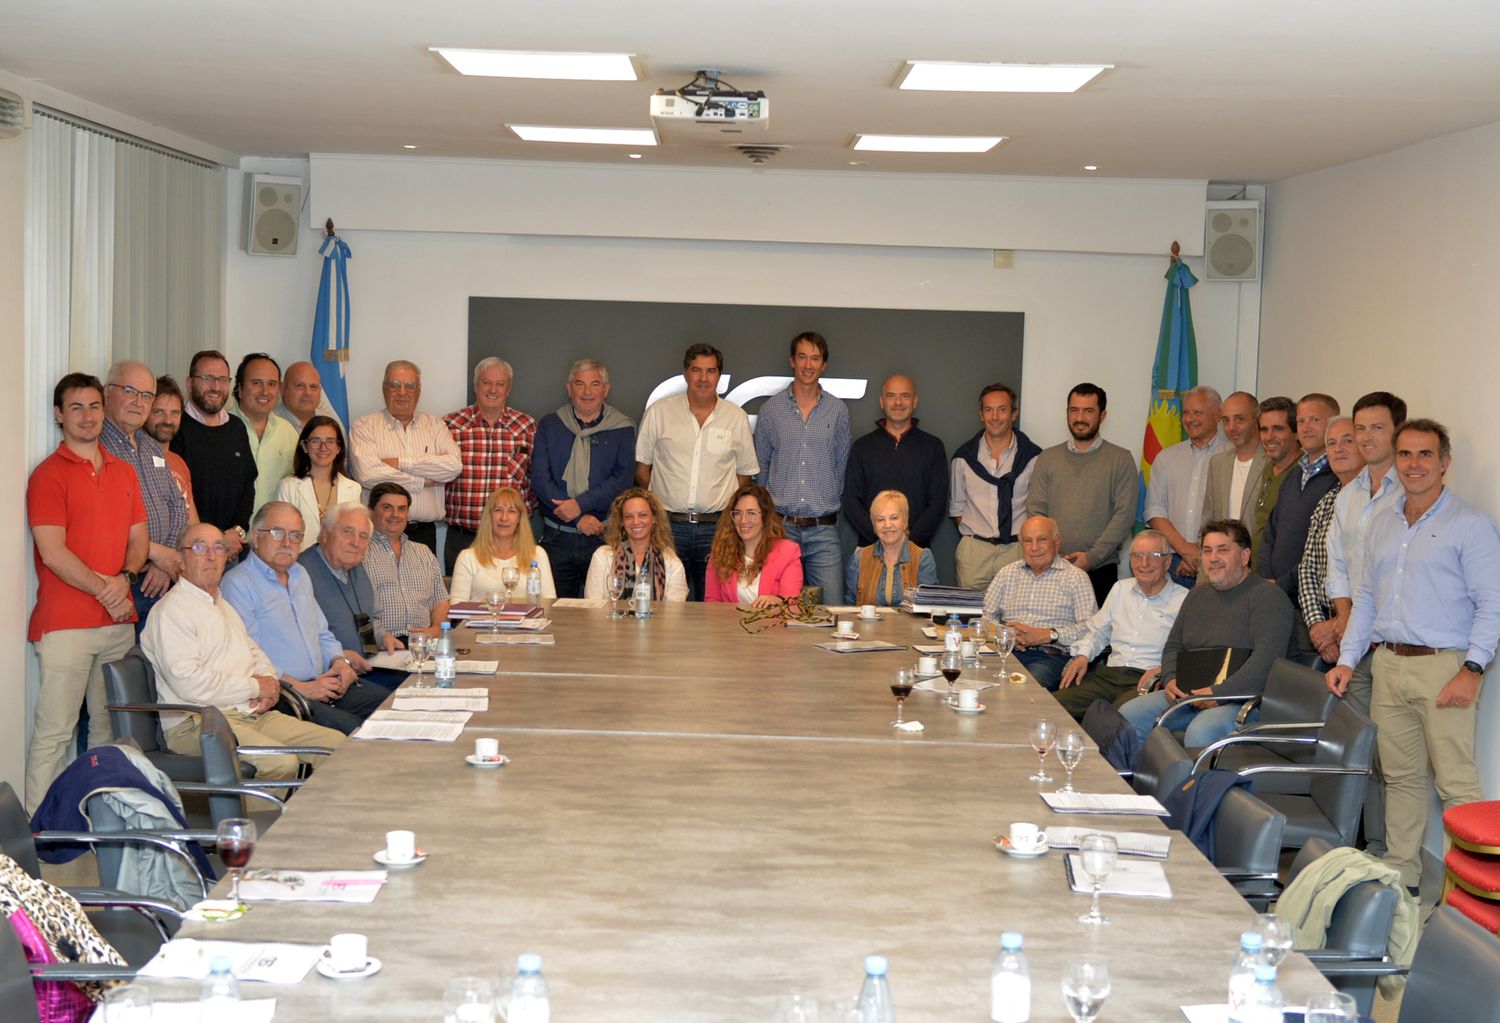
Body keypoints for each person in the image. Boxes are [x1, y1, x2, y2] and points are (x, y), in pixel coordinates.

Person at [1327, 419, 1500, 891]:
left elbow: (1493, 603)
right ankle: (1403, 878)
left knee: (1457, 784)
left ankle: (1469, 896)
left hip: (1445, 666)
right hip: (1388, 664)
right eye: (1405, 454)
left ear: (1445, 463)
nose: (1414, 464)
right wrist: (1347, 660)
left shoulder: (1470, 525)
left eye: (1425, 455)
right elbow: (1365, 598)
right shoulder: (1383, 522)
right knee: (1401, 779)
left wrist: (1472, 669)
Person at [24, 373, 148, 813]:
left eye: (95, 406)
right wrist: (106, 588)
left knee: (107, 732)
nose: (88, 415)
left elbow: (139, 538)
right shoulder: (47, 475)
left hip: (117, 625)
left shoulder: (124, 470)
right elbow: (53, 552)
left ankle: (99, 825)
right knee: (55, 733)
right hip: (66, 625)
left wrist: (125, 580)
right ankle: (41, 836)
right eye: (76, 407)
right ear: (59, 415)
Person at [140, 522, 345, 783]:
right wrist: (254, 688)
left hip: (248, 713)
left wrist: (270, 683)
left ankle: (312, 822)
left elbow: (254, 651)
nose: (211, 556)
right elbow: (189, 683)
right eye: (200, 548)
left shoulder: (221, 604)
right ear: (180, 559)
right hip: (199, 723)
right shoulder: (171, 611)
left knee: (336, 746)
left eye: (218, 548)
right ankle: (254, 825)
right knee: (280, 762)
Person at [1319, 391, 1407, 858]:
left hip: (1393, 642)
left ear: (1397, 433)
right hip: (1356, 642)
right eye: (1361, 429)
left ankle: (1391, 849)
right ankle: (1367, 844)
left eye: (1377, 428)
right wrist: (1346, 617)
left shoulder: (1407, 492)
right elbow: (1337, 564)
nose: (1366, 437)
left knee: (1392, 754)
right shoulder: (1348, 496)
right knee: (1360, 746)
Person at [1118, 519, 1295, 748]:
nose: (1213, 558)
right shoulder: (1196, 596)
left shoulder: (1268, 597)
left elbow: (1266, 662)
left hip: (1243, 700)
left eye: (1223, 550)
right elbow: (1173, 646)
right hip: (1189, 694)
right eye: (1207, 551)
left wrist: (1218, 693)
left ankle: (1194, 786)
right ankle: (1140, 784)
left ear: (1244, 556)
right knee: (1129, 714)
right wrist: (1170, 678)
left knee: (1201, 731)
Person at [220, 502, 386, 734]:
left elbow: (322, 633)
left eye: (295, 535)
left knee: (391, 706)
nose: (287, 543)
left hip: (324, 683)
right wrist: (303, 688)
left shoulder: (300, 574)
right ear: (256, 538)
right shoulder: (237, 584)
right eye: (277, 533)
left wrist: (339, 662)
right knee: (351, 731)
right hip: (285, 694)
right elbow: (248, 660)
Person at [636, 343, 759, 601]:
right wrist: (664, 503)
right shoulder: (660, 413)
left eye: (711, 371)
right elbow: (643, 469)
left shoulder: (735, 418)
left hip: (717, 527)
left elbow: (744, 475)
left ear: (719, 375)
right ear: (685, 374)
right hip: (668, 525)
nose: (703, 378)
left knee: (715, 604)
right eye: (697, 370)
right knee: (664, 601)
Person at [754, 331, 851, 602]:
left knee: (831, 608)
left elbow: (841, 465)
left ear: (824, 365)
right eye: (802, 357)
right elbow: (761, 468)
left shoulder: (838, 411)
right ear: (792, 361)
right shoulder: (771, 411)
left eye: (815, 358)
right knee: (776, 607)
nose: (808, 365)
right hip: (781, 528)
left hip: (824, 530)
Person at [1054, 530, 1189, 721]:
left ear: (1167, 562)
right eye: (1138, 556)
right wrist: (1083, 655)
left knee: (1111, 721)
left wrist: (1164, 669)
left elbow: (1188, 651)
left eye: (1154, 556)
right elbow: (1098, 631)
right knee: (1053, 706)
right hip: (1108, 675)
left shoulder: (1184, 600)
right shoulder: (1120, 589)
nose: (1144, 563)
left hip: (1147, 679)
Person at [1026, 382, 1140, 607]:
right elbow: (1036, 510)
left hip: (1100, 570)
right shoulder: (1048, 458)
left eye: (1088, 411)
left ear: (1102, 415)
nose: (1080, 417)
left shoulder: (1121, 459)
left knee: (1095, 639)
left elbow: (1124, 516)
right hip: (1051, 568)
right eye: (1074, 410)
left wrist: (1092, 557)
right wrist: (1051, 554)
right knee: (1048, 633)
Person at [531, 359, 635, 598]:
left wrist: (580, 504)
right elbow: (540, 479)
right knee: (554, 612)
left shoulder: (622, 427)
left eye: (595, 384)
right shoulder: (550, 425)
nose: (587, 392)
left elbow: (623, 480)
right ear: (570, 388)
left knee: (605, 614)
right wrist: (577, 518)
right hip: (557, 538)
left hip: (603, 536)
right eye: (580, 384)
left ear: (606, 389)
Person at [98, 360, 189, 625]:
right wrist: (155, 553)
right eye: (129, 391)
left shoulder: (152, 447)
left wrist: (164, 559)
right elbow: (103, 519)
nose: (139, 402)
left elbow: (177, 506)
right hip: (121, 582)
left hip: (161, 579)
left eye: (147, 395)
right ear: (106, 393)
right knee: (127, 662)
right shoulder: (96, 447)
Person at [350, 360, 461, 557]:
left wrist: (400, 463)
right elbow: (367, 474)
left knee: (422, 588)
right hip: (378, 532)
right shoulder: (364, 426)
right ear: (384, 389)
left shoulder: (435, 426)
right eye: (394, 385)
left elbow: (453, 467)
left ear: (418, 391)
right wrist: (421, 481)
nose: (402, 392)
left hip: (424, 534)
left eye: (409, 385)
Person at [442, 357, 538, 577]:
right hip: (463, 538)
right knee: (460, 605)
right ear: (476, 386)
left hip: (512, 540)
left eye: (500, 384)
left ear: (508, 389)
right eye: (486, 382)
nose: (493, 389)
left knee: (514, 601)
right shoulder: (450, 425)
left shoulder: (527, 426)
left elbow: (536, 480)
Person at [980, 514, 1098, 691]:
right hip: (1006, 652)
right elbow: (985, 617)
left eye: (1042, 539)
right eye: (1028, 541)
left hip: (1048, 657)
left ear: (1056, 541)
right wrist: (1006, 633)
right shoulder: (1007, 573)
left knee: (1021, 691)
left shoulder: (1076, 578)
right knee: (975, 680)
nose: (1034, 548)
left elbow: (1091, 628)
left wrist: (1048, 635)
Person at [1260, 395, 1339, 652]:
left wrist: (1281, 583)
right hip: (1280, 600)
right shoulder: (1295, 474)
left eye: (1315, 420)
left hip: (1314, 607)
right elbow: (1270, 532)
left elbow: (1322, 550)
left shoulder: (1339, 478)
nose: (1305, 427)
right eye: (1301, 421)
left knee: (1305, 683)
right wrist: (1267, 579)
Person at [300, 503, 407, 690]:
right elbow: (294, 639)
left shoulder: (359, 567)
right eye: (347, 532)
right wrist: (338, 655)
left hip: (371, 665)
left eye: (363, 536)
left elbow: (372, 618)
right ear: (325, 534)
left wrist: (382, 637)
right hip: (331, 677)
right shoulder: (300, 573)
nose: (355, 542)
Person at [949, 383, 1040, 590]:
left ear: (1014, 413)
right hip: (974, 552)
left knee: (1015, 618)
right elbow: (957, 509)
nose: (995, 417)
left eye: (1002, 409)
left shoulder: (1034, 458)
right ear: (981, 415)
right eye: (988, 410)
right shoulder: (963, 458)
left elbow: (1038, 509)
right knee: (970, 617)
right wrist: (978, 537)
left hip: (1017, 550)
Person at [843, 374, 948, 549]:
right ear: (882, 402)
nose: (898, 402)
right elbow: (852, 503)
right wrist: (882, 539)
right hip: (870, 549)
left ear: (915, 402)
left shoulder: (933, 447)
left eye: (905, 396)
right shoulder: (862, 447)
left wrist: (907, 541)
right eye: (891, 396)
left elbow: (937, 504)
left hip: (917, 550)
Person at [170, 350, 255, 560]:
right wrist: (215, 539)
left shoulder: (236, 428)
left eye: (222, 380)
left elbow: (247, 485)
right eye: (207, 379)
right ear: (189, 384)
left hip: (233, 548)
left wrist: (237, 532)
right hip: (192, 552)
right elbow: (177, 495)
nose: (216, 387)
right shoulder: (174, 427)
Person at [1295, 416, 1365, 666]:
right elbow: (1307, 568)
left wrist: (1340, 624)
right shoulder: (1328, 500)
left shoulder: (1380, 502)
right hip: (1323, 627)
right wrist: (1317, 625)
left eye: (1348, 441)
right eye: (1332, 443)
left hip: (1363, 631)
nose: (1338, 449)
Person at [1144, 385, 1229, 586]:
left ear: (1218, 415)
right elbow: (1155, 511)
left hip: (1219, 561)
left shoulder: (1233, 456)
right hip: (1171, 561)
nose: (1189, 419)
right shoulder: (1166, 458)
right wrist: (1186, 551)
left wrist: (1202, 553)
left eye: (1197, 412)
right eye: (1186, 413)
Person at [364, 482, 450, 641]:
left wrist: (436, 629)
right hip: (382, 648)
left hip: (424, 645)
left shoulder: (423, 552)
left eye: (402, 509)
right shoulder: (360, 553)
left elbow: (440, 601)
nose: (395, 514)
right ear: (370, 512)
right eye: (387, 508)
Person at [450, 486, 557, 602]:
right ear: (489, 516)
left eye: (512, 511)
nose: (504, 518)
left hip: (526, 620)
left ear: (519, 520)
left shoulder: (537, 554)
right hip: (481, 620)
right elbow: (456, 607)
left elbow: (549, 603)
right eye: (498, 510)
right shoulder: (467, 557)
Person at [583, 487, 689, 603]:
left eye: (642, 515)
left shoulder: (671, 562)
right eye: (628, 516)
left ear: (654, 518)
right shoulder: (602, 556)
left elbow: (674, 614)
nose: (636, 522)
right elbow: (592, 607)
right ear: (621, 521)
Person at [274, 415, 361, 553]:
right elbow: (282, 533)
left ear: (339, 448)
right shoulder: (288, 486)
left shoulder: (353, 489)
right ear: (304, 446)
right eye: (315, 441)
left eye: (330, 441)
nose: (323, 447)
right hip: (299, 564)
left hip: (340, 564)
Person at [705, 483, 803, 606]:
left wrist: (778, 601)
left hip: (772, 623)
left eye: (751, 513)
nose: (743, 520)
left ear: (765, 516)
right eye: (738, 513)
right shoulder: (720, 551)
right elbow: (712, 603)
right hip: (729, 624)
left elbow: (792, 603)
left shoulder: (788, 552)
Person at [230, 352, 299, 516]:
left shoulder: (288, 432)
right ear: (239, 388)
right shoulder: (222, 429)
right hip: (231, 537)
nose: (265, 391)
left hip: (276, 534)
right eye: (256, 383)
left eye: (272, 384)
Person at [844, 489, 938, 607]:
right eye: (880, 519)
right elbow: (850, 607)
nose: (887, 525)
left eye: (894, 518)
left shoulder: (923, 558)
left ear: (905, 521)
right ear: (874, 525)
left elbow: (929, 608)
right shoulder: (859, 558)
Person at [1247, 395, 1302, 566]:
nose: (1269, 437)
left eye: (1278, 429)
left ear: (1296, 432)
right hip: (1258, 571)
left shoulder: (1303, 473)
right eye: (1264, 429)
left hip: (1283, 580)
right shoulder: (1268, 468)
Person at [1201, 390, 1267, 526]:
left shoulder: (1272, 462)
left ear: (1257, 420)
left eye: (1239, 419)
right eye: (1226, 420)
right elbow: (1208, 519)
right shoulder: (1217, 463)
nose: (1231, 427)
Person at [145, 376, 199, 528]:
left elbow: (193, 522)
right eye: (158, 412)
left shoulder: (179, 462)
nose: (168, 420)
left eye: (174, 413)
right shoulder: (135, 461)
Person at [276, 360, 342, 434]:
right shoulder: (268, 423)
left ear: (320, 391)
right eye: (299, 386)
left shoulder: (330, 422)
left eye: (313, 387)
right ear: (282, 388)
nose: (307, 393)